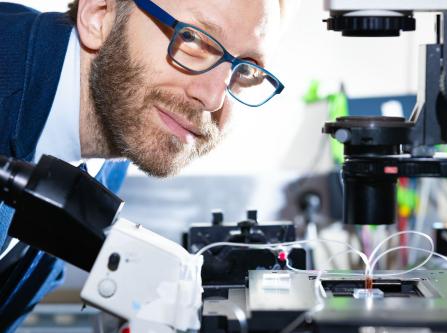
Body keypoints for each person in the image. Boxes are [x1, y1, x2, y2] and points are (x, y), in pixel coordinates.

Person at [0, 0, 293, 330]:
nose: (213, 98)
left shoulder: (110, 154)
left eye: (246, 71)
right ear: (99, 15)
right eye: (194, 39)